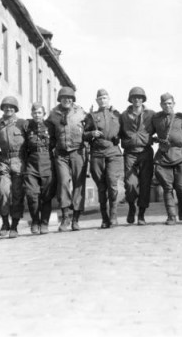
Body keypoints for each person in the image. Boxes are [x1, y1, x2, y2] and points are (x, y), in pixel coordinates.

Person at [47, 86, 88, 232]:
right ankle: (65, 217)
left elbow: (89, 130)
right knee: (63, 182)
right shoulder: (53, 114)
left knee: (79, 183)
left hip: (78, 152)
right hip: (61, 153)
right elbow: (49, 134)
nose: (67, 100)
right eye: (64, 98)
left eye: (70, 98)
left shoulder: (81, 113)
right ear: (60, 99)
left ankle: (76, 218)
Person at [84, 89, 123, 229]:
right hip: (97, 153)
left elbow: (124, 132)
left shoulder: (117, 115)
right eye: (100, 98)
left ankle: (113, 216)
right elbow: (83, 134)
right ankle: (104, 218)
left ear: (109, 99)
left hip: (113, 152)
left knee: (112, 183)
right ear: (97, 101)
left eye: (105, 98)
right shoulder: (91, 116)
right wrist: (91, 133)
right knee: (101, 187)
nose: (102, 100)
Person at [149, 93, 182, 225]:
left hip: (179, 155)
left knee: (181, 187)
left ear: (174, 104)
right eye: (165, 104)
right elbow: (147, 133)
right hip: (163, 156)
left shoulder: (181, 118)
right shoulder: (155, 119)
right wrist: (153, 139)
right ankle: (171, 216)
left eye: (170, 103)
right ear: (161, 105)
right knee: (167, 187)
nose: (167, 106)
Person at [119, 86, 156, 225]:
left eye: (140, 97)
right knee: (130, 184)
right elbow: (118, 131)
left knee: (146, 183)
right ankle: (131, 207)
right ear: (130, 99)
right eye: (134, 98)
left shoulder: (151, 114)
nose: (137, 100)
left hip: (146, 151)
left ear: (143, 99)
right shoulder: (123, 115)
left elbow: (160, 126)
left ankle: (141, 214)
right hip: (130, 153)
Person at [0, 96, 26, 238]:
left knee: (17, 194)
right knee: (2, 191)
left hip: (19, 160)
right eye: (6, 107)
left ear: (16, 109)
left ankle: (14, 226)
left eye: (12, 107)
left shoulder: (22, 124)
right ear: (2, 108)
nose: (9, 109)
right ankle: (5, 223)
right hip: (4, 160)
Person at [22, 102, 56, 235]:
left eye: (39, 113)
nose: (37, 115)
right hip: (32, 163)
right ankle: (35, 221)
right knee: (32, 195)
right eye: (34, 113)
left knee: (46, 196)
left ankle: (44, 223)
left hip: (47, 161)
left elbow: (57, 140)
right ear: (31, 114)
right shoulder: (27, 126)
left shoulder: (50, 126)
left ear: (44, 114)